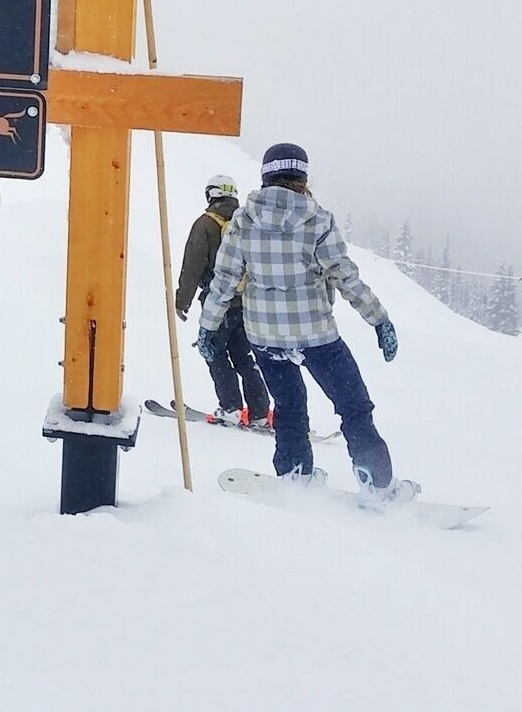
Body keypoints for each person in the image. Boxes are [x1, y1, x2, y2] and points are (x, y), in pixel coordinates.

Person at [193, 143, 416, 503]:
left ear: (266, 175)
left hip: (265, 336)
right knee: (353, 406)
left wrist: (208, 326)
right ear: (302, 177)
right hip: (317, 336)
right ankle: (377, 486)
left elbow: (224, 280)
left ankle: (296, 475)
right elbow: (345, 277)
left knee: (290, 407)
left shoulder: (244, 221)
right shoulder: (316, 220)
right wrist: (380, 320)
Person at [177, 174, 272, 428]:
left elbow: (193, 265)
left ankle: (230, 407)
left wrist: (182, 300)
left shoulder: (205, 224)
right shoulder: (247, 223)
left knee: (215, 353)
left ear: (211, 194)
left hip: (216, 303)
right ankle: (260, 412)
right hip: (246, 305)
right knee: (244, 358)